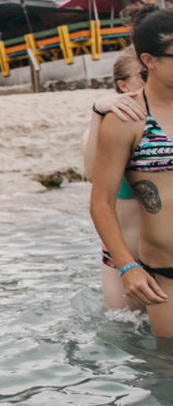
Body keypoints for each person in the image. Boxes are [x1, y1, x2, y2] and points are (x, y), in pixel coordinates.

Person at [92, 3, 173, 337]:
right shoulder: (127, 118)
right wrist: (127, 265)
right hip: (166, 272)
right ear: (148, 60)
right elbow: (101, 201)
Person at [82, 48, 146, 312]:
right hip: (122, 259)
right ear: (122, 85)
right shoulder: (104, 131)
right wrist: (98, 112)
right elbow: (93, 175)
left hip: (165, 258)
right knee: (127, 340)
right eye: (142, 75)